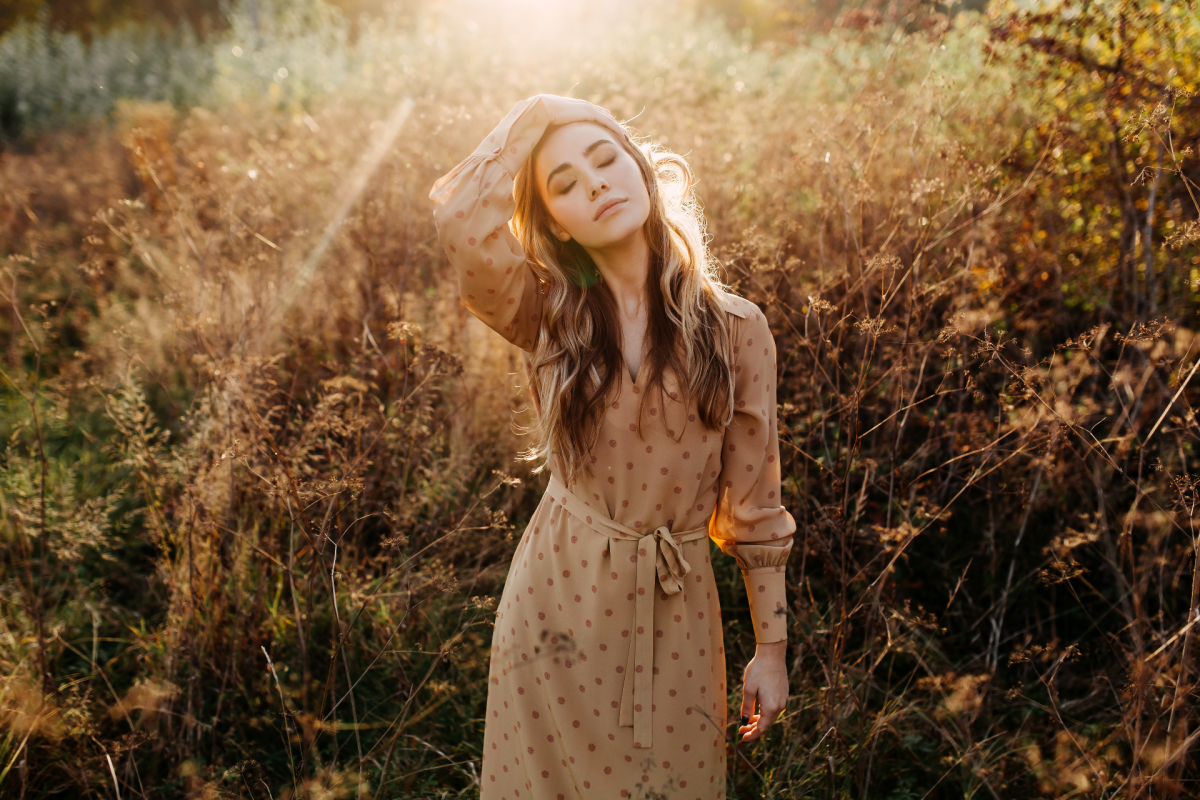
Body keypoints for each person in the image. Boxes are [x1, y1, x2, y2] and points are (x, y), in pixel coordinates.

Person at [428, 94, 795, 800]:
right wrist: (540, 112)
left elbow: (756, 507)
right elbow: (459, 218)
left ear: (642, 170)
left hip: (676, 611)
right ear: (554, 223)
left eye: (605, 158)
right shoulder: (545, 314)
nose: (593, 184)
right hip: (555, 600)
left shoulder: (737, 329)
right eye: (563, 184)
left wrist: (771, 650)